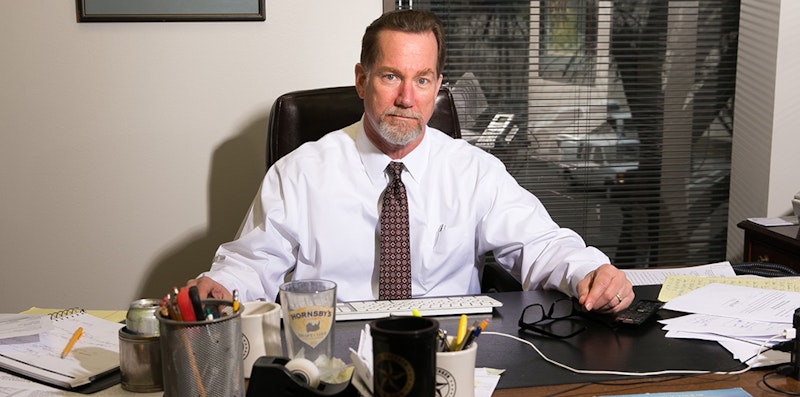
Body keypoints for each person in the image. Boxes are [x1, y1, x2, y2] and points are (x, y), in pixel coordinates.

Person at [187, 9, 633, 313]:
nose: (406, 98)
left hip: (449, 349)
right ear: (362, 80)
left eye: (422, 80)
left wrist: (589, 272)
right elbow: (249, 265)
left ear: (438, 86)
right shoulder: (299, 174)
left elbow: (542, 245)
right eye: (390, 77)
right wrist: (221, 287)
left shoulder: (473, 171)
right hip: (334, 356)